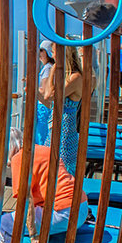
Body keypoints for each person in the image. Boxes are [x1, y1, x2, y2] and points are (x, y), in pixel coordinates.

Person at [0, 128, 87, 243]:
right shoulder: (44, 150)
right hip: (82, 207)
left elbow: (26, 202)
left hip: (65, 214)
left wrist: (33, 235)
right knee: (17, 218)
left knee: (2, 224)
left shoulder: (19, 159)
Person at [39, 46, 87, 174]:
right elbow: (47, 98)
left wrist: (53, 69)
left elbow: (49, 95)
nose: (52, 56)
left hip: (65, 132)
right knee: (50, 167)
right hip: (56, 129)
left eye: (54, 52)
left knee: (62, 170)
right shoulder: (67, 77)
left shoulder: (75, 78)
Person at [34, 40, 55, 146]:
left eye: (41, 50)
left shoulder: (47, 68)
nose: (39, 53)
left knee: (41, 136)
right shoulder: (49, 67)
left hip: (43, 106)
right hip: (45, 106)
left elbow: (45, 90)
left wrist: (32, 87)